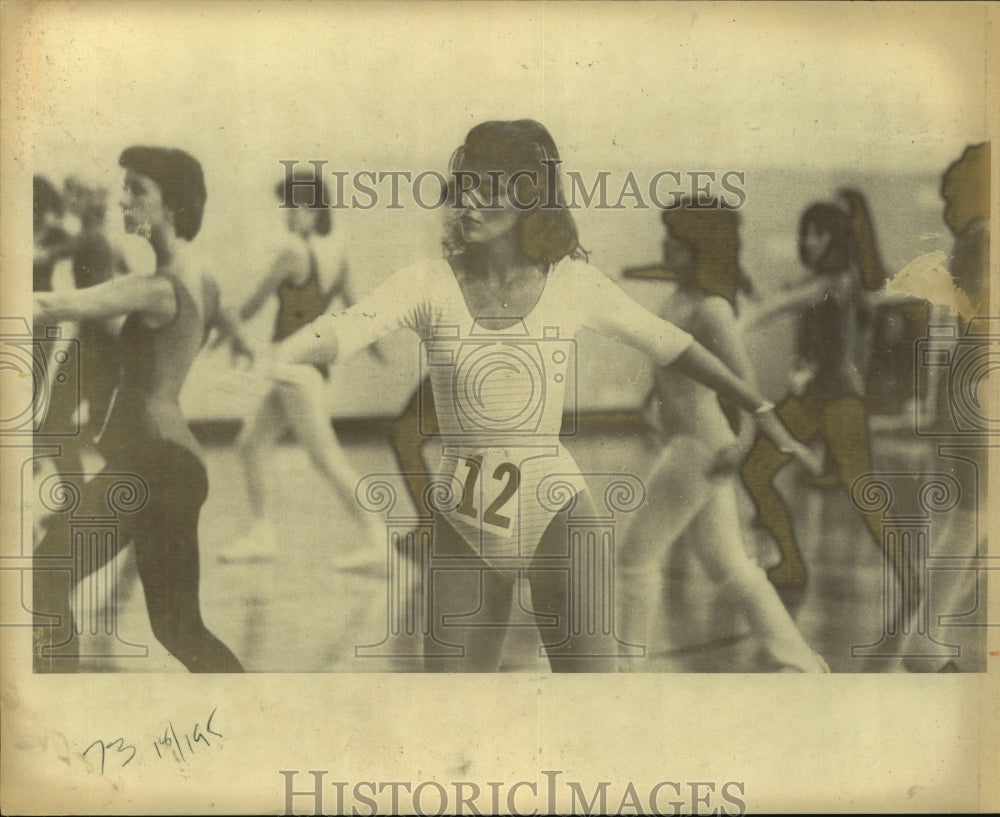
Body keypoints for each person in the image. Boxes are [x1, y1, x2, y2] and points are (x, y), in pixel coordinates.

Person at [261, 120, 821, 672]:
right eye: (464, 189)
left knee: (591, 703)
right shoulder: (425, 283)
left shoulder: (572, 282)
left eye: (489, 188)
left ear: (532, 198)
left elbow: (675, 346)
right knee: (447, 709)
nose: (469, 205)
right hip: (463, 519)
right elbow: (348, 326)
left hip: (557, 510)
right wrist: (284, 353)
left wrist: (760, 409)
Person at [33, 146, 244, 673]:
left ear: (171, 204)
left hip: (152, 465)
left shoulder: (155, 287)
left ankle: (56, 718)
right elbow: (227, 328)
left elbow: (47, 304)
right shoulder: (205, 282)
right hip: (179, 465)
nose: (124, 198)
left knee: (45, 573)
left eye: (136, 190)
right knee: (178, 627)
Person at [616, 202, 828, 672]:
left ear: (695, 248)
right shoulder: (680, 299)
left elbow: (746, 386)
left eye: (672, 237)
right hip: (689, 443)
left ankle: (623, 678)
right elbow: (678, 362)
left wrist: (745, 441)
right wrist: (649, 400)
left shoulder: (712, 309)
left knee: (634, 558)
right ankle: (803, 664)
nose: (664, 244)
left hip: (699, 448)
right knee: (729, 566)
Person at [740, 189, 919, 617]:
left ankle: (912, 580)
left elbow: (782, 305)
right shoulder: (822, 281)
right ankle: (791, 564)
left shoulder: (835, 281)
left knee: (863, 492)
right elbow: (782, 298)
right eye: (806, 232)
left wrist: (744, 319)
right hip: (809, 399)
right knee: (756, 469)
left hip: (839, 401)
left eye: (818, 233)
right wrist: (747, 288)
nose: (809, 240)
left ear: (833, 237)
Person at [215, 172, 384, 564]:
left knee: (325, 457)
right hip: (299, 370)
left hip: (293, 371)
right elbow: (358, 310)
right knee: (250, 444)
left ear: (308, 209)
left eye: (289, 206)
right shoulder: (337, 256)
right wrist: (379, 349)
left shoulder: (292, 253)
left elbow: (251, 305)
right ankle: (262, 534)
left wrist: (218, 325)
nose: (286, 215)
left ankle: (376, 536)